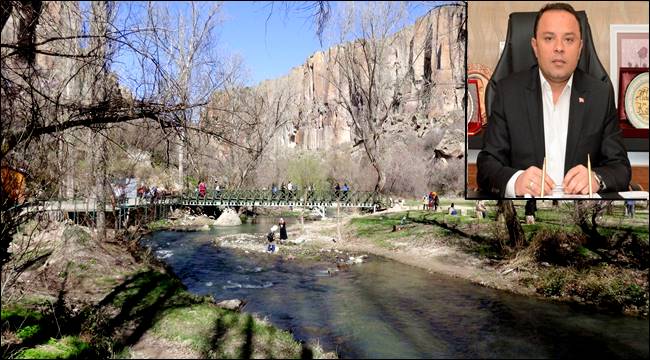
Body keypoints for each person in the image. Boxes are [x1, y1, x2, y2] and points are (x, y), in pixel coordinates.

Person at [476, 3, 631, 198]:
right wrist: (516, 180)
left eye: (569, 39)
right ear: (535, 46)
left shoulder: (600, 94)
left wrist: (596, 178)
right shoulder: (508, 92)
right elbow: (486, 165)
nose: (559, 48)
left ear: (580, 47)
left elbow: (620, 168)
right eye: (549, 38)